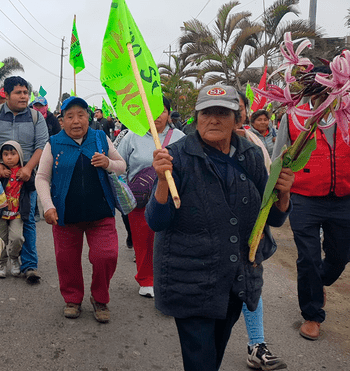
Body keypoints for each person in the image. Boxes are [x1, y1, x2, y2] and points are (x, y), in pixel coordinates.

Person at [146, 85, 294, 371]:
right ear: (196, 118)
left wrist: (284, 195)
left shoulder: (250, 155)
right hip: (190, 280)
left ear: (237, 120)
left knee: (212, 356)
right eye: (206, 113)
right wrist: (163, 181)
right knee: (200, 360)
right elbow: (157, 221)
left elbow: (272, 220)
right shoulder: (176, 156)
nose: (213, 120)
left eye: (222, 113)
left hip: (234, 279)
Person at [272, 65, 350, 341]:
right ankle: (312, 314)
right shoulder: (292, 117)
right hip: (305, 199)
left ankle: (320, 281)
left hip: (343, 198)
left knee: (341, 254)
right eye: (317, 85)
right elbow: (279, 160)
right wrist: (277, 192)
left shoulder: (347, 114)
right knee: (308, 257)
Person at [36, 96, 126, 323]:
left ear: (89, 117)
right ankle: (73, 298)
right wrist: (48, 206)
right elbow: (42, 178)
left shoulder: (100, 138)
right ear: (62, 120)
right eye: (70, 116)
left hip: (101, 214)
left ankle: (100, 298)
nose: (76, 121)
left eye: (81, 115)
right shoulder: (53, 143)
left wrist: (108, 163)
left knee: (106, 256)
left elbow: (122, 165)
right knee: (66, 260)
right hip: (66, 217)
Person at [0, 76, 49, 284]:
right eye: (19, 93)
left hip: (25, 181)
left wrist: (28, 168)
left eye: (26, 92)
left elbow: (42, 145)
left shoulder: (37, 117)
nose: (24, 96)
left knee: (26, 220)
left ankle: (29, 265)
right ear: (6, 95)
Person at [235, 91, 286, 370]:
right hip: (211, 240)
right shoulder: (192, 149)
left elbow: (268, 190)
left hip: (249, 233)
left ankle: (257, 344)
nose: (232, 113)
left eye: (238, 107)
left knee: (250, 285)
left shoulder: (254, 145)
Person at [117, 96, 184, 298]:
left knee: (169, 240)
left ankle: (168, 278)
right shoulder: (131, 136)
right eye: (152, 110)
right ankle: (146, 279)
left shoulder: (180, 137)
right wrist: (123, 190)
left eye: (162, 110)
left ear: (169, 114)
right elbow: (119, 164)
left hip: (172, 199)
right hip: (141, 199)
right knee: (143, 240)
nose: (157, 116)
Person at [0, 140, 34, 278]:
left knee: (17, 237)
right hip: (0, 212)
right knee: (0, 239)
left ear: (20, 155)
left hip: (17, 212)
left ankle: (14, 257)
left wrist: (27, 177)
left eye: (13, 154)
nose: (9, 157)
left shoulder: (25, 171)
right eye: (5, 154)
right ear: (1, 156)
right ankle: (1, 263)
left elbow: (33, 187)